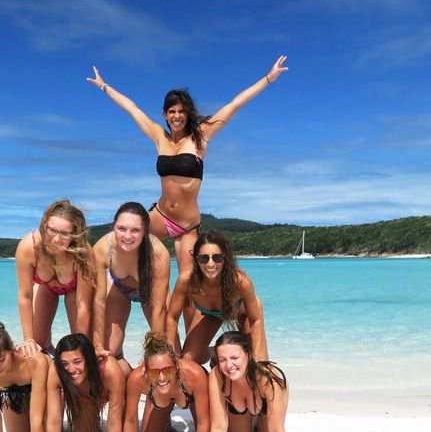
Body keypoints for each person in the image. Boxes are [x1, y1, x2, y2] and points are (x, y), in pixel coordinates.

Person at [86, 56, 289, 277]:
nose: (177, 116)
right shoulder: (159, 137)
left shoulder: (201, 136)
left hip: (187, 225)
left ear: (188, 114)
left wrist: (269, 78)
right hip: (160, 216)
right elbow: (132, 109)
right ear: (165, 115)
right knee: (120, 243)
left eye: (181, 111)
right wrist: (105, 86)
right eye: (172, 111)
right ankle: (128, 288)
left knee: (188, 281)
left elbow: (234, 104)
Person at [205, 331, 300, 432]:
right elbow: (219, 425)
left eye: (234, 358)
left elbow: (277, 430)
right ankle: (249, 421)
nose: (228, 365)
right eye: (222, 360)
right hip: (239, 408)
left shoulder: (270, 380)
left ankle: (258, 422)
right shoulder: (217, 376)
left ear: (248, 355)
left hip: (263, 408)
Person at [92, 202, 171, 376]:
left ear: (145, 231)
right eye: (121, 229)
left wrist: (154, 352)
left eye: (135, 230)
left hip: (150, 293)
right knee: (108, 352)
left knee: (168, 351)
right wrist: (97, 343)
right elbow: (98, 301)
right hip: (119, 289)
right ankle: (126, 373)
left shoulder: (158, 253)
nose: (127, 236)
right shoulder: (102, 248)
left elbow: (158, 308)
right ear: (114, 227)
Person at [166, 230, 268, 365]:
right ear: (196, 259)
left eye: (217, 258)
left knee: (255, 363)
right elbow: (172, 318)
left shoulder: (241, 281)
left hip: (244, 315)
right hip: (209, 315)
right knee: (189, 360)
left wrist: (259, 358)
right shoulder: (187, 281)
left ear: (225, 258)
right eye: (204, 258)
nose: (210, 264)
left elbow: (255, 321)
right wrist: (170, 355)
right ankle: (216, 353)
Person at [120, 331, 209, 432]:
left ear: (176, 366)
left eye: (168, 370)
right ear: (146, 372)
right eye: (154, 373)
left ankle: (210, 352)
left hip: (189, 394)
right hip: (159, 396)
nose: (161, 377)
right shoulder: (137, 379)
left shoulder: (194, 375)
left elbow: (203, 422)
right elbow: (129, 421)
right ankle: (162, 415)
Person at [15, 199, 95, 357]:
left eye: (65, 234)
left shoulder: (83, 252)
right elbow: (25, 296)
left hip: (75, 291)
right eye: (52, 230)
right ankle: (49, 349)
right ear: (44, 225)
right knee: (37, 345)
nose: (56, 239)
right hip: (45, 287)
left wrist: (82, 342)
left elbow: (83, 303)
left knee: (81, 344)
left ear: (74, 235)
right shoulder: (28, 247)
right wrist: (28, 339)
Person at [43, 333, 126, 432]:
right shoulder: (57, 372)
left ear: (88, 359)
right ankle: (94, 422)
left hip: (121, 390)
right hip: (87, 398)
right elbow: (54, 420)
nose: (71, 369)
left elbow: (114, 421)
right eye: (65, 363)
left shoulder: (109, 370)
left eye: (77, 361)